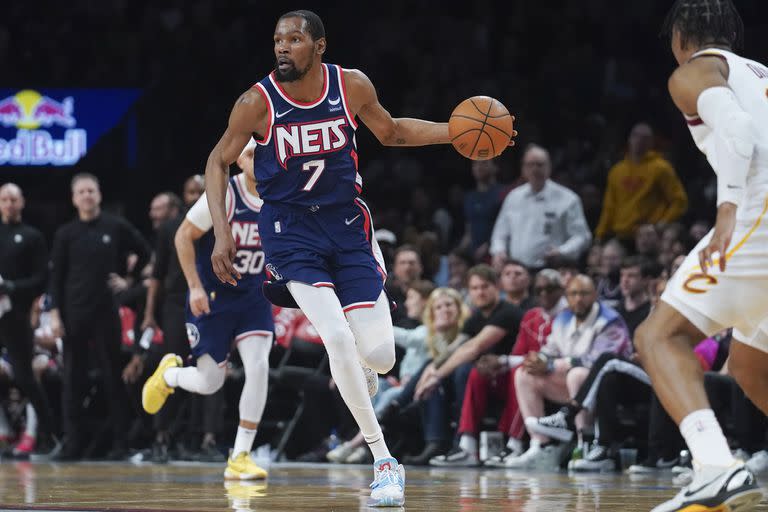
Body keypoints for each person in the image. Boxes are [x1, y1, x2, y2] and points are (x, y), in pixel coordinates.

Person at [202, 10, 513, 506]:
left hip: (347, 227)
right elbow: (217, 162)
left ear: (319, 46)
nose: (283, 47)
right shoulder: (255, 103)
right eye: (278, 40)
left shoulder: (350, 87)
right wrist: (222, 235)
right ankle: (384, 461)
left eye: (295, 39)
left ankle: (362, 369)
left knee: (381, 355)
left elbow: (391, 133)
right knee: (337, 338)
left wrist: (456, 133)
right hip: (289, 231)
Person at [635, 1, 767, 510]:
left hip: (758, 215)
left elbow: (737, 134)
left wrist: (728, 208)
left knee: (659, 337)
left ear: (680, 37)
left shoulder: (692, 70)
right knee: (753, 367)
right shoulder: (758, 75)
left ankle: (716, 467)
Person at [142, 140, 274, 480]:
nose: (257, 159)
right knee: (210, 382)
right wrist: (195, 286)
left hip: (254, 296)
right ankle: (170, 374)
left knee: (259, 367)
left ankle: (240, 456)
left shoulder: (283, 195)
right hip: (214, 296)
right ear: (239, 160)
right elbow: (183, 236)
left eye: (263, 152)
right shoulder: (225, 193)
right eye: (249, 154)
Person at [49, 173, 151, 460]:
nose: (86, 196)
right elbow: (55, 279)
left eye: (91, 191)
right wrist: (56, 316)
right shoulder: (65, 233)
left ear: (99, 194)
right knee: (73, 380)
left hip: (106, 314)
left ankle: (120, 444)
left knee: (112, 378)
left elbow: (144, 251)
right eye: (81, 192)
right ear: (74, 198)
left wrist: (128, 281)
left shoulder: (115, 226)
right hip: (73, 314)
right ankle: (73, 444)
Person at [504, 274, 632, 470]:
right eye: (573, 293)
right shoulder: (563, 318)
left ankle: (585, 444)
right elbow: (550, 349)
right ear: (567, 296)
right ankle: (541, 445)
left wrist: (551, 365)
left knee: (578, 374)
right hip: (571, 385)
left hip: (608, 387)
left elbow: (597, 361)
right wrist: (540, 360)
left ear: (595, 294)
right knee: (524, 373)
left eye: (584, 293)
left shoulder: (610, 320)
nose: (578, 298)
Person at [0, 183, 57, 456]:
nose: (9, 203)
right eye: (4, 199)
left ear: (22, 202)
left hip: (16, 316)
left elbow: (40, 279)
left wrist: (11, 287)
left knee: (26, 377)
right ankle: (5, 432)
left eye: (14, 199)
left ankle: (47, 433)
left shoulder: (32, 236)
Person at [490, 144, 591, 271]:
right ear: (523, 168)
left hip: (552, 269)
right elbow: (499, 234)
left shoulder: (568, 199)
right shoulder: (513, 197)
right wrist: (499, 251)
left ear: (549, 167)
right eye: (530, 165)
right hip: (517, 270)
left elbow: (582, 236)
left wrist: (562, 251)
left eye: (539, 164)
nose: (535, 169)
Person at [595, 122, 688, 243]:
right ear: (629, 139)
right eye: (636, 136)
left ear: (651, 142)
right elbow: (609, 206)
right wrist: (600, 233)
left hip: (648, 235)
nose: (639, 141)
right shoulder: (617, 171)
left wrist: (663, 223)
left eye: (645, 138)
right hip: (621, 233)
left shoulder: (661, 168)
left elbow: (679, 200)